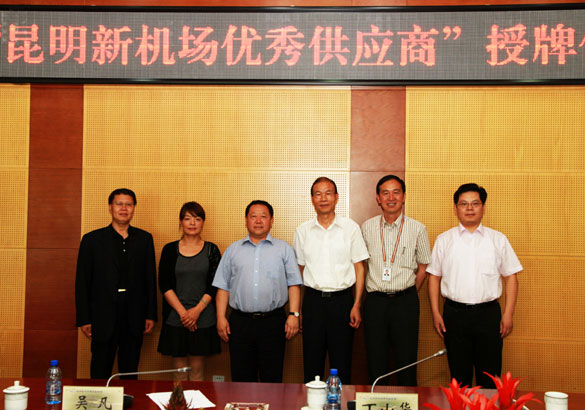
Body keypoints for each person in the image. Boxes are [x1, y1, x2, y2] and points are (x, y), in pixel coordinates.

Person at [427, 183, 522, 388]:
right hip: (454, 315)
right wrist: (435, 313)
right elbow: (433, 277)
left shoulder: (498, 239)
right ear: (455, 208)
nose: (469, 208)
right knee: (459, 378)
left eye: (475, 203)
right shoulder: (444, 240)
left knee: (489, 377)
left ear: (483, 207)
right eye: (464, 204)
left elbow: (511, 277)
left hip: (488, 315)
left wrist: (508, 314)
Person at [212, 200, 302, 383]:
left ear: (271, 221)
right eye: (253, 216)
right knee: (241, 378)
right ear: (246, 220)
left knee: (272, 378)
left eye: (263, 216)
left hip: (273, 322)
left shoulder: (284, 249)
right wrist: (220, 317)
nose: (258, 221)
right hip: (240, 323)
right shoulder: (233, 250)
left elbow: (294, 284)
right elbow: (222, 286)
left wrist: (294, 314)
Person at [75, 188, 157, 379]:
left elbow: (150, 280)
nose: (124, 208)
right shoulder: (92, 240)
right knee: (100, 371)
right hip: (102, 316)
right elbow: (82, 282)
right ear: (110, 207)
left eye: (128, 204)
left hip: (134, 315)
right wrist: (84, 318)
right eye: (119, 204)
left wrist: (150, 314)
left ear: (134, 208)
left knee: (130, 372)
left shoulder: (144, 239)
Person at [293, 177, 369, 384]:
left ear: (336, 197)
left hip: (342, 302)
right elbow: (299, 272)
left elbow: (359, 268)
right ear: (312, 199)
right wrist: (297, 311)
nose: (323, 198)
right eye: (318, 194)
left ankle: (340, 400)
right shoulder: (302, 231)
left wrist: (356, 304)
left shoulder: (350, 228)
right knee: (312, 363)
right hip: (313, 302)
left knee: (342, 362)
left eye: (328, 193)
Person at [361, 175, 432, 386]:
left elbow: (424, 266)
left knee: (406, 360)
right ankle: (375, 401)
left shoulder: (417, 228)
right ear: (378, 198)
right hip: (375, 302)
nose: (391, 197)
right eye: (385, 193)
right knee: (376, 360)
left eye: (396, 192)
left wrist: (408, 291)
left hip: (405, 302)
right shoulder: (367, 227)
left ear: (404, 197)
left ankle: (407, 400)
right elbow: (361, 265)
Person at [157, 202, 222, 381]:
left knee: (197, 371)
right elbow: (164, 284)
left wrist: (196, 311)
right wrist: (184, 313)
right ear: (180, 221)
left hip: (203, 317)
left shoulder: (211, 249)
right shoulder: (169, 249)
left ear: (203, 222)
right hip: (176, 317)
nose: (192, 223)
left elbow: (214, 284)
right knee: (179, 372)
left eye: (197, 219)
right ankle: (179, 400)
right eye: (187, 218)